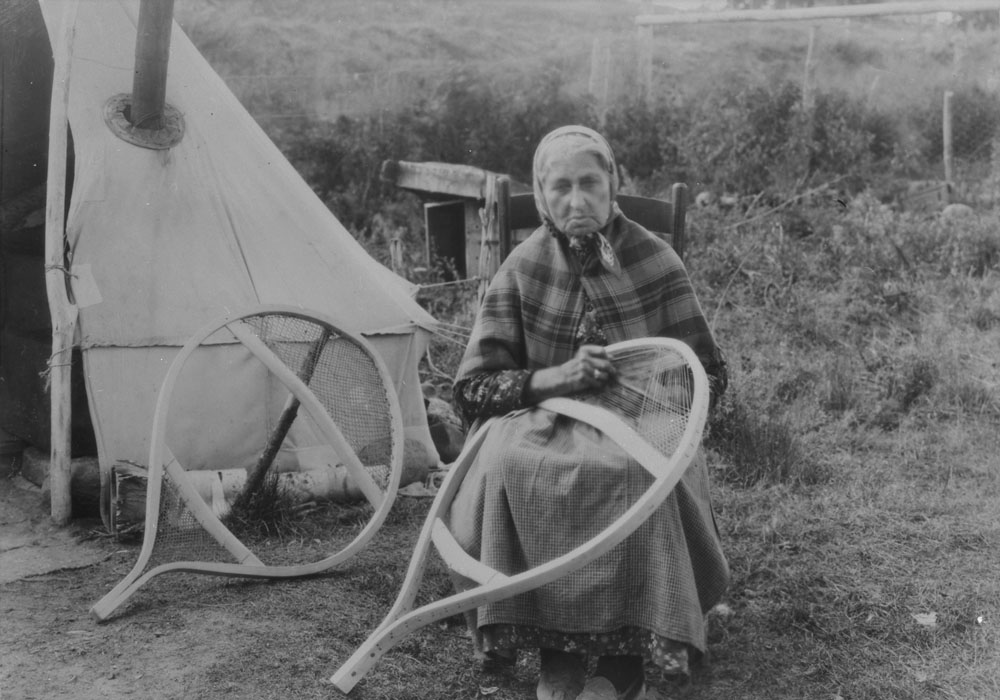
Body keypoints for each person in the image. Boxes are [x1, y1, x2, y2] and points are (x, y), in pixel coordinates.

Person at [447, 125, 730, 700]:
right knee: (515, 463)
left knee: (637, 470)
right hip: (542, 415)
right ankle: (559, 651)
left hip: (639, 417)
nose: (576, 201)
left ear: (613, 185)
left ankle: (629, 650)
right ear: (541, 193)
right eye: (559, 188)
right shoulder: (524, 266)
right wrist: (555, 378)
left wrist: (663, 401)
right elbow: (472, 390)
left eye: (589, 184)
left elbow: (709, 374)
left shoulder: (654, 259)